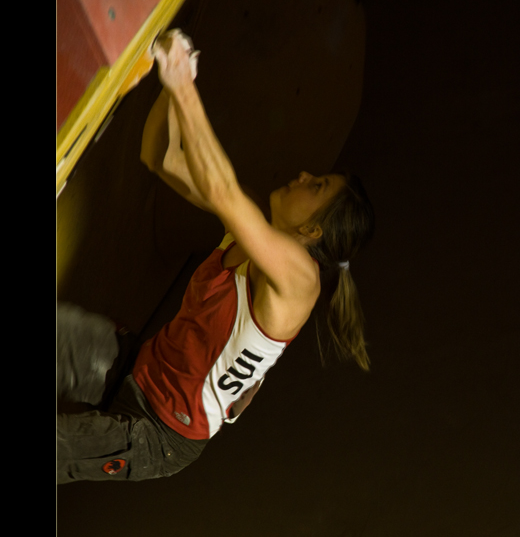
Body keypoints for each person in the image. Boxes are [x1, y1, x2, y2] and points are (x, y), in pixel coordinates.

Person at [57, 29, 375, 484]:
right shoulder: (250, 229)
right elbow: (160, 156)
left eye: (317, 186)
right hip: (139, 368)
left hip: (159, 434)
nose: (305, 175)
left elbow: (221, 189)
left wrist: (184, 83)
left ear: (312, 230)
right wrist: (173, 86)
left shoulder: (300, 280)